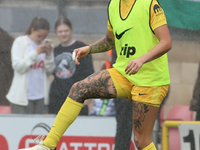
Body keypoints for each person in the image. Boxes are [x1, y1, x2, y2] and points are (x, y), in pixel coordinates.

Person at [19, 0, 172, 149]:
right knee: (79, 89)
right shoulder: (113, 5)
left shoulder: (149, 3)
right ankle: (48, 144)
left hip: (150, 80)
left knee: (141, 141)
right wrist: (89, 48)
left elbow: (166, 42)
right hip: (123, 74)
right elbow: (109, 41)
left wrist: (141, 59)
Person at [6, 17, 55, 114]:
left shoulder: (47, 45)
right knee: (21, 127)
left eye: (44, 36)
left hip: (41, 96)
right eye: (39, 36)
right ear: (32, 30)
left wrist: (49, 55)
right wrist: (35, 53)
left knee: (39, 127)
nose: (41, 39)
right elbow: (18, 67)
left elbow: (50, 71)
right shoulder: (20, 42)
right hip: (21, 97)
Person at [48, 17, 94, 115]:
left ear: (71, 31)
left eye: (66, 31)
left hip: (77, 98)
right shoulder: (55, 50)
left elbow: (89, 73)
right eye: (60, 31)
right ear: (55, 33)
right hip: (57, 99)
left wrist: (88, 96)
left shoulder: (81, 47)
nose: (63, 34)